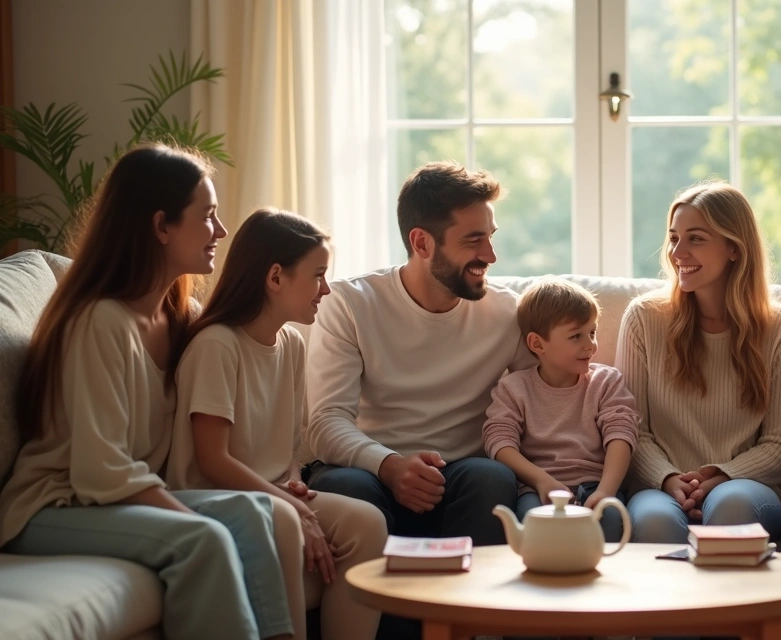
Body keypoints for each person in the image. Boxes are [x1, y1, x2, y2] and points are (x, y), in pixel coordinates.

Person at [0, 144, 297, 640]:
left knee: (251, 513)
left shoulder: (181, 319)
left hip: (111, 500)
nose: (220, 232)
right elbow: (101, 469)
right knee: (203, 538)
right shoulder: (100, 321)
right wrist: (185, 512)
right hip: (54, 506)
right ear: (161, 226)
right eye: (208, 217)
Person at [166, 208, 387, 640]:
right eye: (318, 275)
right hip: (216, 497)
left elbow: (287, 453)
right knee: (288, 522)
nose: (326, 289)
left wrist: (292, 485)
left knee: (367, 523)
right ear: (275, 277)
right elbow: (213, 461)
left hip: (269, 492)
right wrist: (291, 507)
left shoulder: (290, 344)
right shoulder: (217, 345)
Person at [303, 161, 532, 544]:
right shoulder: (350, 303)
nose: (490, 255)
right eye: (473, 241)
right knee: (343, 485)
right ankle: (378, 605)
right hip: (371, 470)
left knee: (492, 478)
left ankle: (460, 605)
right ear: (422, 242)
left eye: (491, 237)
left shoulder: (508, 313)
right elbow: (326, 422)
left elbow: (543, 400)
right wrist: (389, 465)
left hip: (462, 478)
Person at [618, 180, 781, 543]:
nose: (677, 252)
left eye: (696, 239)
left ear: (734, 248)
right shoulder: (644, 318)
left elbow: (779, 446)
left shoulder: (779, 327)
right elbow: (631, 431)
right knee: (655, 522)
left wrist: (719, 477)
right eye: (674, 238)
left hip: (743, 485)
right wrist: (670, 479)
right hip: (659, 486)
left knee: (732, 506)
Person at [482, 278, 639, 542]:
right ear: (537, 344)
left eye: (592, 332)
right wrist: (541, 480)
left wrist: (605, 491)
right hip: (537, 489)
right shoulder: (513, 388)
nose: (590, 345)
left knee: (609, 522)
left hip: (595, 487)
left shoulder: (606, 382)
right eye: (576, 336)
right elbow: (498, 441)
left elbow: (622, 435)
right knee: (534, 526)